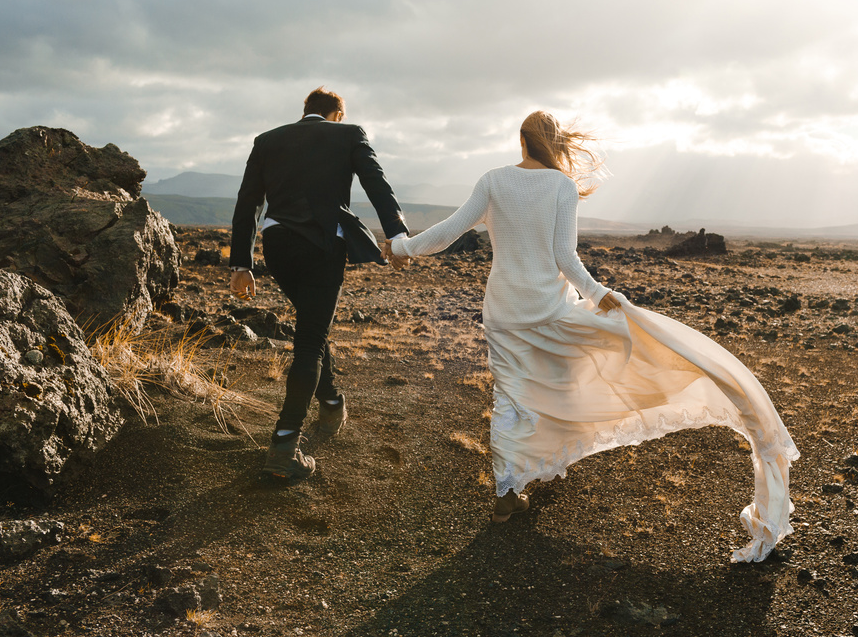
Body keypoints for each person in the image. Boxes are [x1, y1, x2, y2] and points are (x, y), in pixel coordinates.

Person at [384, 111, 799, 562]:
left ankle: (510, 486)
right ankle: (539, 464)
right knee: (559, 382)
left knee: (511, 395)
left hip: (504, 311)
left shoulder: (493, 181)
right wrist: (599, 294)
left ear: (522, 142)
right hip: (549, 308)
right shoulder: (561, 186)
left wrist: (403, 247)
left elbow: (448, 232)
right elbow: (565, 255)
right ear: (554, 145)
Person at [230, 86, 409, 481]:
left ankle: (330, 402)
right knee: (310, 339)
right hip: (323, 248)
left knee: (312, 324)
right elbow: (377, 184)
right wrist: (397, 236)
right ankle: (284, 445)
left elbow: (248, 203)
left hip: (278, 248)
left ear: (304, 110)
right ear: (338, 114)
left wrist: (242, 264)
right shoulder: (349, 134)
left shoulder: (267, 140)